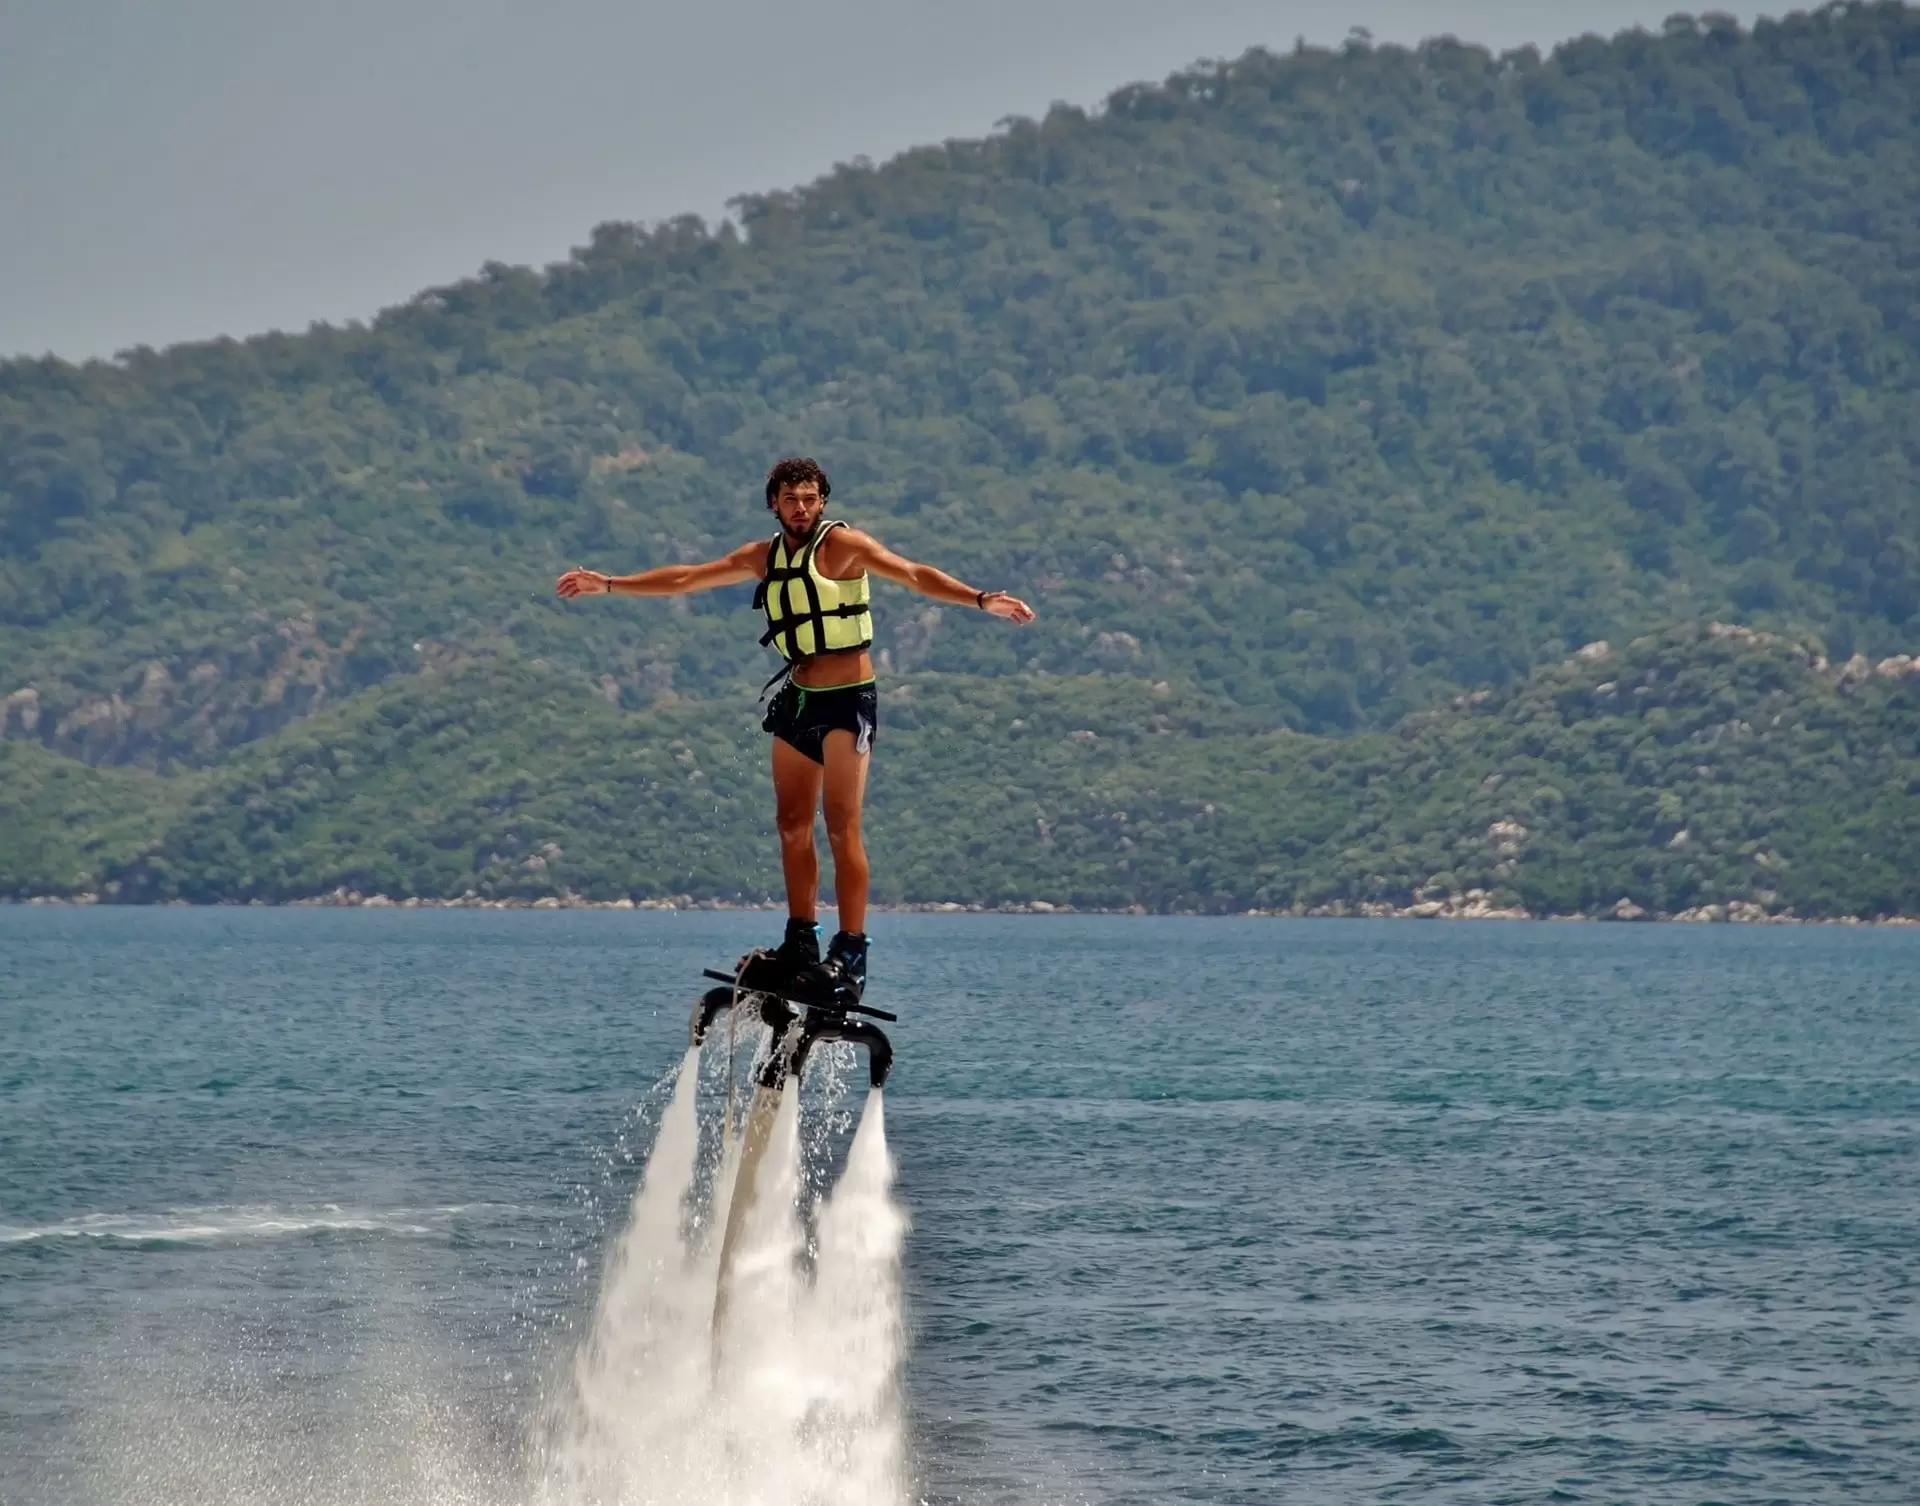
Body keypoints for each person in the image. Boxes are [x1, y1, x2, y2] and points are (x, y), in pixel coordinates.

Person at [556, 456, 1034, 996]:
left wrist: (978, 598)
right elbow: (687, 578)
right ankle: (800, 942)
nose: (801, 508)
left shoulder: (844, 546)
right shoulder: (763, 556)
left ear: (822, 500)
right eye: (790, 499)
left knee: (839, 825)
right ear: (774, 505)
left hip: (847, 699)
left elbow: (912, 573)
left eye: (809, 498)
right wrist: (610, 584)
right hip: (799, 699)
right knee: (790, 823)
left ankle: (850, 952)